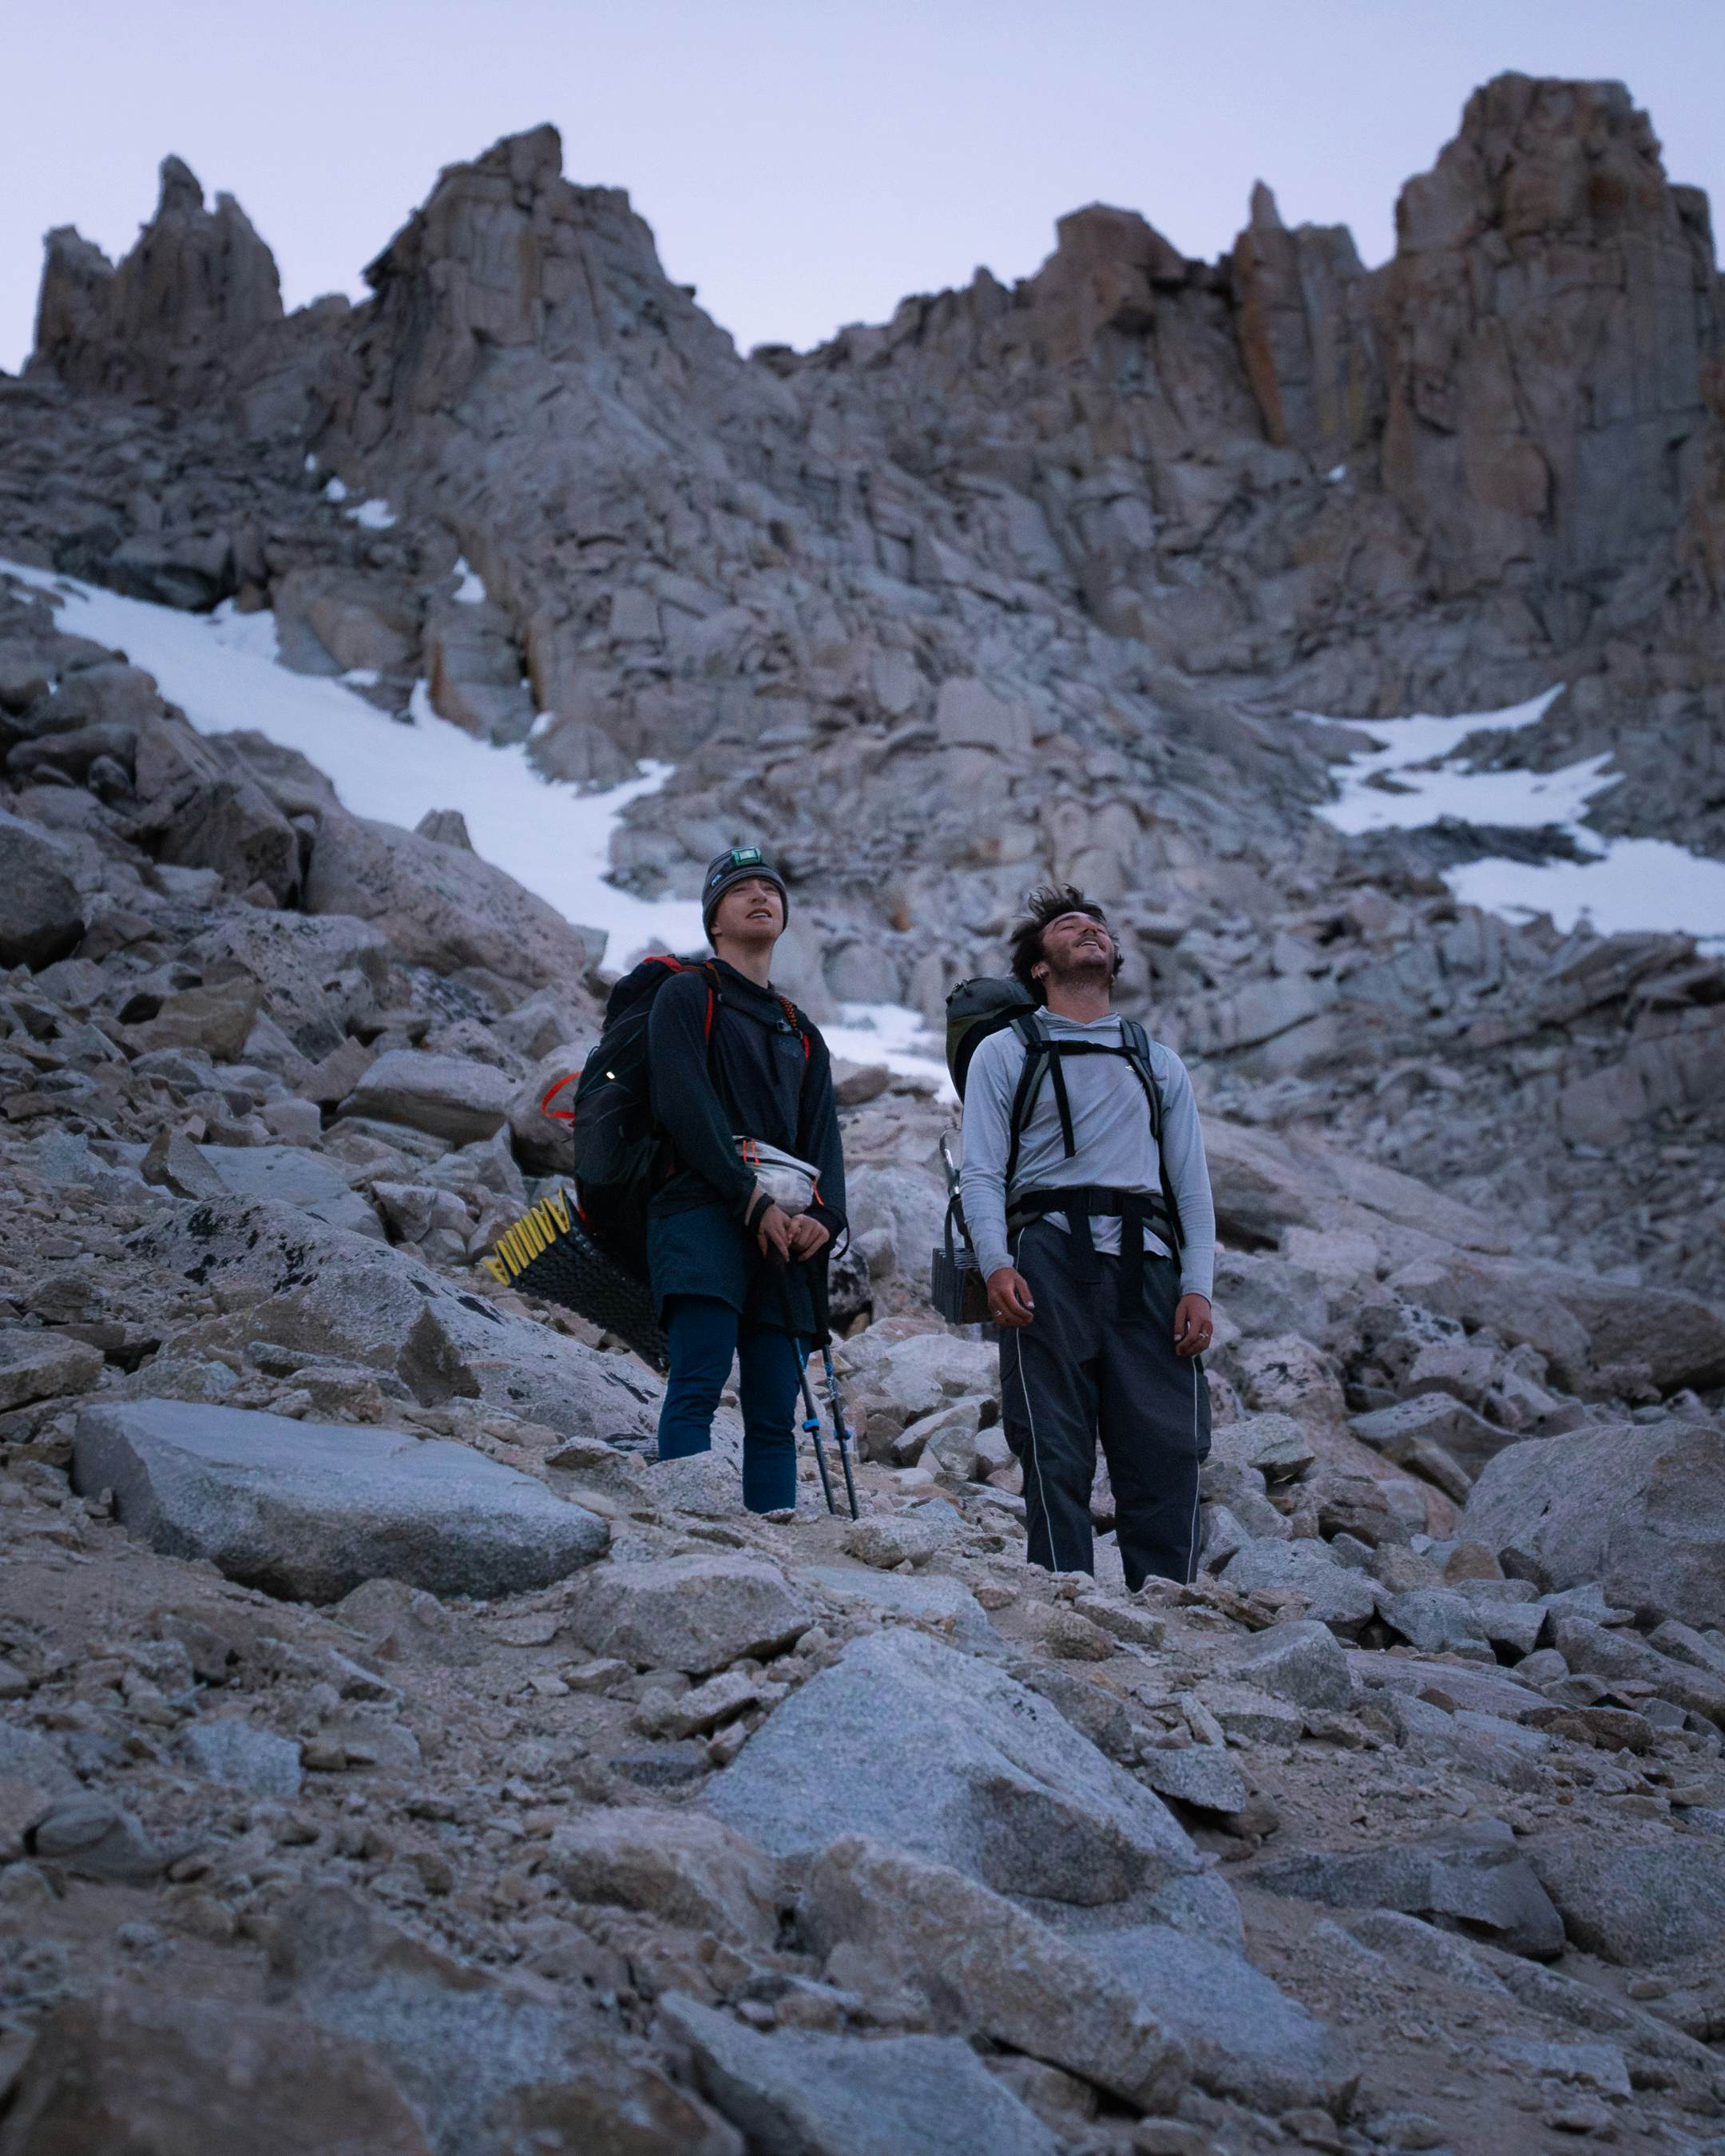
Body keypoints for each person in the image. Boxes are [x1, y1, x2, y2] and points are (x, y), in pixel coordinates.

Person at [959, 884, 1217, 1588]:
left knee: (1164, 1444)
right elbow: (980, 1171)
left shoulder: (1158, 1061)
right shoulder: (1005, 1052)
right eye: (1069, 926)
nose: (1089, 930)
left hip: (1149, 1265)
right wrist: (994, 1264)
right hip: (1044, 1256)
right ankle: (1066, 1595)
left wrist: (1197, 1286)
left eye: (1098, 925)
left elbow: (1190, 1186)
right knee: (1053, 1442)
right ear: (1038, 967)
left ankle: (1168, 1601)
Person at [644, 848, 847, 1512]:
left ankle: (774, 1550)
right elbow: (684, 1105)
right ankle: (684, 1533)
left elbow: (824, 1143)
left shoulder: (801, 1031)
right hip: (701, 1210)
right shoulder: (686, 993)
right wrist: (748, 1198)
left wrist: (824, 1218)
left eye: (771, 889)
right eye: (741, 890)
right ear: (714, 920)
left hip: (784, 1234)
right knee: (697, 1382)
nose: (761, 896)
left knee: (773, 1414)